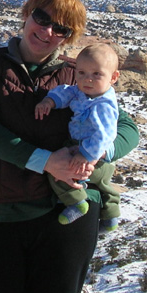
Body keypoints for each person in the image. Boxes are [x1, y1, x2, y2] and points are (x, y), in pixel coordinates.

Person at [0, 0, 140, 293]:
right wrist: (46, 160)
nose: (47, 32)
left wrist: (96, 154)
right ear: (27, 14)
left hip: (65, 220)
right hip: (1, 212)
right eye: (42, 19)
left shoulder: (81, 75)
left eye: (62, 29)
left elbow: (127, 129)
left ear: (70, 37)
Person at [34, 42, 122, 231]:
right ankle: (111, 215)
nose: (87, 80)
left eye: (96, 74)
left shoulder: (103, 105)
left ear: (113, 77)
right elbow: (66, 91)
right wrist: (50, 101)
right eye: (81, 73)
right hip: (95, 156)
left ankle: (76, 203)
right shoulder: (85, 93)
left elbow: (104, 135)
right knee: (102, 184)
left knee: (63, 174)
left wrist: (86, 155)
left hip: (92, 153)